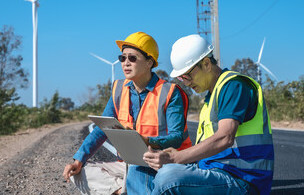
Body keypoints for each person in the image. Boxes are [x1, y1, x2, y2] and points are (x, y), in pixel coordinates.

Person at [143, 34, 274, 195]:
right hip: (214, 172)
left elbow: (225, 137)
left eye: (187, 76)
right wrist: (174, 155)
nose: (186, 82)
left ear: (206, 64)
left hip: (242, 180)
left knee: (168, 177)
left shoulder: (234, 85)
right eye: (180, 78)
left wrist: (175, 159)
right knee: (140, 170)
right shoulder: (210, 98)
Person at [63, 31, 192, 194]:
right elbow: (102, 128)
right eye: (122, 58)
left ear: (149, 62)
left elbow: (177, 138)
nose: (125, 63)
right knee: (80, 174)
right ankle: (125, 189)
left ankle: (131, 187)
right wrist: (79, 159)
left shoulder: (170, 92)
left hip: (162, 164)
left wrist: (147, 141)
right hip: (129, 163)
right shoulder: (119, 89)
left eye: (132, 58)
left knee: (137, 170)